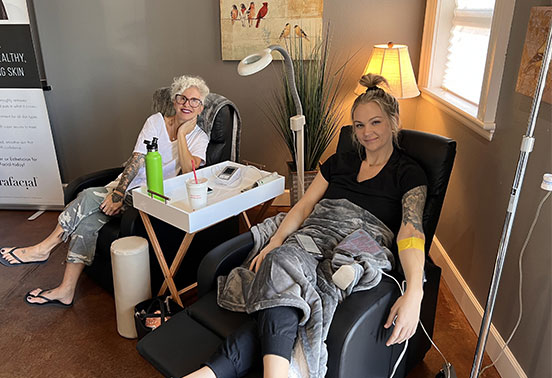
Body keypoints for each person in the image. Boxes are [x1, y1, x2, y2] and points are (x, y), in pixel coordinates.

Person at [185, 73, 428, 378]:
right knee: (279, 261)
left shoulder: (408, 173)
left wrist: (415, 292)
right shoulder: (340, 162)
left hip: (361, 240)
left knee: (300, 290)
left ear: (393, 121)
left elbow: (411, 231)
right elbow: (303, 205)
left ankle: (211, 372)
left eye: (376, 122)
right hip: (316, 232)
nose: (367, 133)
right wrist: (274, 241)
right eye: (360, 125)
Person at [0, 75, 211, 307]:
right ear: (174, 100)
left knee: (88, 195)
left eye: (195, 101)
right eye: (183, 98)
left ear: (201, 108)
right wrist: (118, 193)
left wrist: (182, 134)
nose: (187, 104)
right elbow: (137, 158)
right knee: (87, 223)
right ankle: (66, 290)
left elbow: (189, 169)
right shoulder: (155, 122)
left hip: (151, 197)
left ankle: (44, 248)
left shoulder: (200, 137)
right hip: (126, 186)